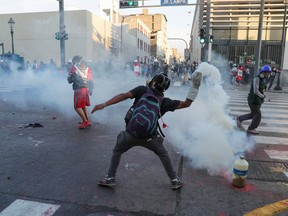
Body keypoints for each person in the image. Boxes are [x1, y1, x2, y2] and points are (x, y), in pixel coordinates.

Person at [91, 73, 195, 190]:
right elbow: (186, 104)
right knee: (163, 154)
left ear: (154, 83)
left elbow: (123, 96)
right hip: (150, 138)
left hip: (130, 134)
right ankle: (174, 180)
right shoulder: (165, 101)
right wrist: (195, 86)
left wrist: (104, 104)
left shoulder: (142, 90)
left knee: (117, 150)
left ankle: (110, 178)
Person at [236, 65, 271, 135]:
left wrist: (263, 96)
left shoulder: (263, 80)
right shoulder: (257, 79)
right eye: (266, 73)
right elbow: (255, 90)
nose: (267, 74)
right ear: (263, 72)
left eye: (268, 73)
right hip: (253, 100)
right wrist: (262, 96)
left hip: (258, 100)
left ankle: (239, 119)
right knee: (258, 114)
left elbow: (262, 89)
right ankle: (251, 128)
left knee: (253, 114)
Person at [67, 56, 94, 129]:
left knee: (77, 107)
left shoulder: (74, 68)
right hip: (86, 88)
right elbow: (91, 80)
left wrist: (70, 77)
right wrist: (91, 89)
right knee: (83, 105)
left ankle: (85, 121)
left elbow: (69, 80)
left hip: (79, 89)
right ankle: (87, 120)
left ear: (75, 61)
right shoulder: (87, 68)